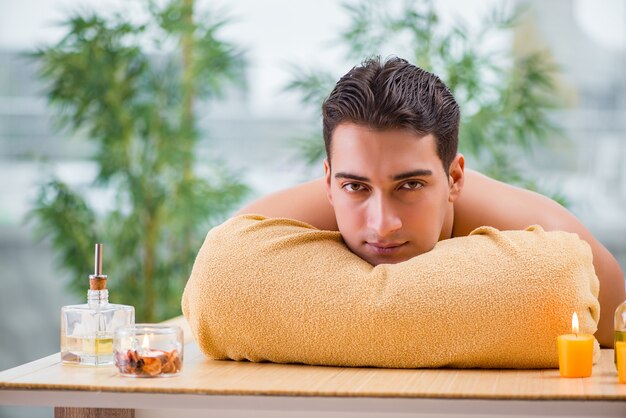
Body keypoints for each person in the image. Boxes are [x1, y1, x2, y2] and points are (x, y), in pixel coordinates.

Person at [235, 56, 625, 348]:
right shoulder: (268, 227)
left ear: (454, 178)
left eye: (409, 186)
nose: (382, 224)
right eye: (356, 187)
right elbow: (222, 269)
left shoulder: (546, 233)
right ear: (328, 182)